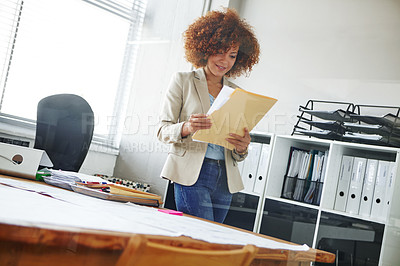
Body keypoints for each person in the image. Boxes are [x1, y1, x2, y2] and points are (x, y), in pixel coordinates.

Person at [157, 8, 260, 223]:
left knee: (212, 241)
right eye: (220, 52)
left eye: (232, 55)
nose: (225, 60)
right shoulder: (183, 80)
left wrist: (242, 148)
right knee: (199, 237)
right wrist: (188, 127)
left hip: (225, 178)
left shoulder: (236, 93)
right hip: (192, 173)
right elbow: (162, 130)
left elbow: (236, 150)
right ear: (205, 49)